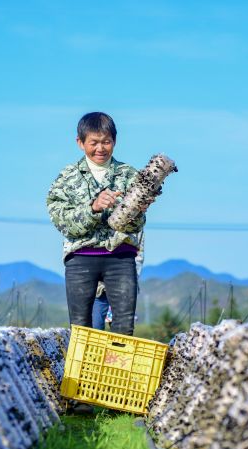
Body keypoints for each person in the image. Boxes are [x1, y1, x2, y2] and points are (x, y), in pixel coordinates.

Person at [47, 112, 147, 335]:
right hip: (81, 257)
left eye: (106, 142)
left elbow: (136, 226)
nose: (100, 148)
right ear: (80, 143)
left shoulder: (130, 175)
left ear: (114, 141)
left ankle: (118, 370)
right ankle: (81, 371)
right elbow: (61, 220)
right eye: (94, 142)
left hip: (121, 257)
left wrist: (137, 211)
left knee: (123, 327)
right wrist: (93, 208)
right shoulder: (67, 177)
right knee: (81, 328)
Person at [92, 232, 144, 330]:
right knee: (96, 325)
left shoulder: (133, 224)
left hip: (122, 284)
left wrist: (130, 279)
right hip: (99, 287)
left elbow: (138, 254)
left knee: (120, 328)